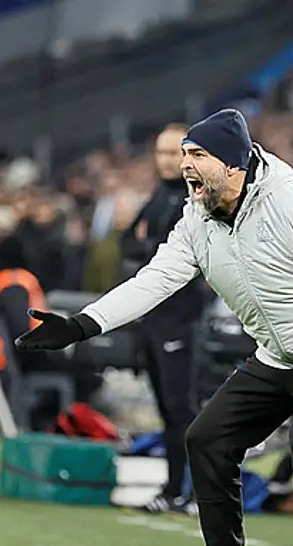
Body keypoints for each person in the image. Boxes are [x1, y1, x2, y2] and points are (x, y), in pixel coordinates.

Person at [16, 108, 293, 546]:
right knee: (207, 439)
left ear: (235, 164)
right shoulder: (196, 218)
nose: (184, 165)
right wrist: (83, 325)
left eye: (197, 155)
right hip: (282, 353)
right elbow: (156, 279)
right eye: (183, 154)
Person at [119, 123, 207, 515]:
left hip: (180, 318)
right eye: (162, 153)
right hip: (154, 320)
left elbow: (163, 253)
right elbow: (127, 242)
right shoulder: (160, 196)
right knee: (168, 410)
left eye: (176, 153)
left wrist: (146, 246)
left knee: (182, 408)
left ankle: (189, 490)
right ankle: (173, 488)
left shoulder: (194, 199)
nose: (168, 161)